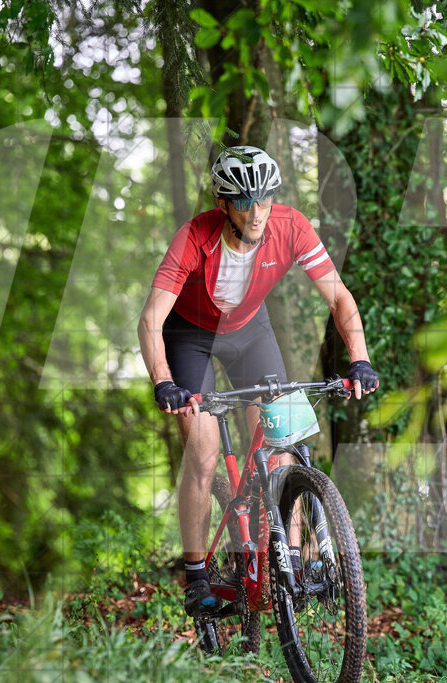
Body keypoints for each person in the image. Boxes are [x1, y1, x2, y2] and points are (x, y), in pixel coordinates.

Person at [137, 145, 379, 616]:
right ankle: (196, 576)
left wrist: (360, 360)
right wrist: (164, 381)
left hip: (251, 332)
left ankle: (284, 567)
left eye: (264, 199)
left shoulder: (291, 226)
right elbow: (150, 319)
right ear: (223, 204)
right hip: (190, 337)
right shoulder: (194, 236)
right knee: (203, 455)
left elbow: (340, 299)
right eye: (244, 201)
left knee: (283, 446)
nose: (256, 212)